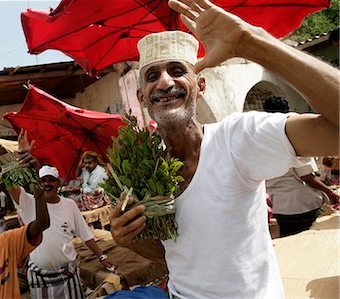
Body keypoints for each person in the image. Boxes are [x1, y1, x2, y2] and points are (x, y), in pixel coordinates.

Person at [108, 0, 339, 298]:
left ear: (200, 85)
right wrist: (129, 238)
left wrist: (252, 42)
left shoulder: (237, 139)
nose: (165, 82)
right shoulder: (146, 169)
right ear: (142, 96)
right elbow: (176, 253)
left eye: (177, 70)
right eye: (152, 76)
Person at [8, 129, 116, 299]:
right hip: (40, 279)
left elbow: (85, 235)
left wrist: (102, 256)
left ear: (58, 183)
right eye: (42, 180)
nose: (47, 184)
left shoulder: (69, 205)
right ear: (37, 182)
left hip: (69, 275)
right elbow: (10, 185)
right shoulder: (29, 202)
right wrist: (21, 157)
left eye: (51, 180)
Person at [263, 96, 340, 237]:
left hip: (279, 205)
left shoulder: (260, 137)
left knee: (290, 241)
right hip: (301, 204)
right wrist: (330, 192)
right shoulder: (292, 133)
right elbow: (307, 177)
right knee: (309, 240)